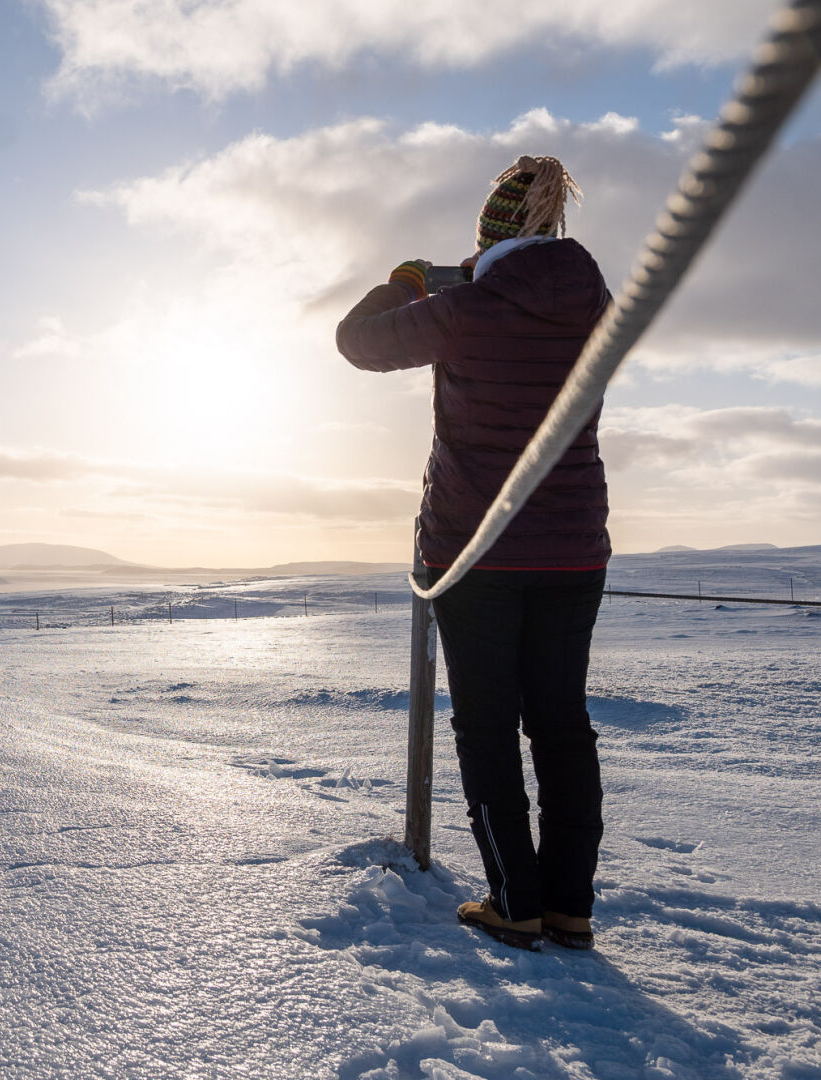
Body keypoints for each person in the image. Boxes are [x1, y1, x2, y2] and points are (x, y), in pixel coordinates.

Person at [334, 155, 612, 951]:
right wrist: (471, 277)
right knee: (561, 723)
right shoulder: (596, 304)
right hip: (573, 547)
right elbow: (528, 301)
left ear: (487, 238)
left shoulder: (463, 310)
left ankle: (514, 903)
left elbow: (357, 342)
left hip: (477, 551)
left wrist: (407, 281)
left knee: (487, 726)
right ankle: (570, 907)